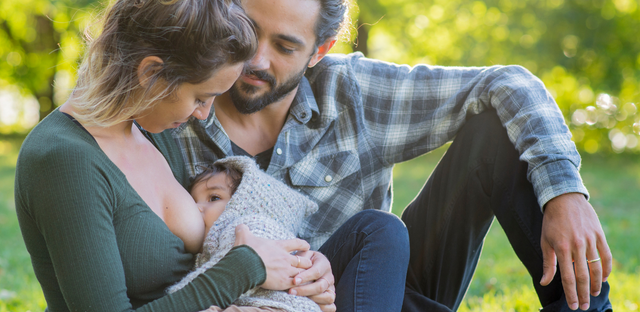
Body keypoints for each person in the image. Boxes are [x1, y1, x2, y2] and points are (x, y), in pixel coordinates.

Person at [171, 0, 613, 311]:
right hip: (249, 301)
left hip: (379, 289)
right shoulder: (176, 112)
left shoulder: (355, 92)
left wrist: (564, 193)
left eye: (285, 47)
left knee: (493, 131)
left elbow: (508, 83)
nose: (257, 60)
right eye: (248, 32)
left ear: (318, 52)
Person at [14, 0, 330, 311]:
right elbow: (231, 268)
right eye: (200, 98)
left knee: (372, 232)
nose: (204, 115)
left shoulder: (151, 130)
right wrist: (247, 267)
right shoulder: (63, 159)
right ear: (151, 73)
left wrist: (302, 268)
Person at [167, 156, 321, 312]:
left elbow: (219, 272)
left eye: (214, 198)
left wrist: (174, 300)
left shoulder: (242, 228)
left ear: (243, 202)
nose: (197, 208)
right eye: (193, 201)